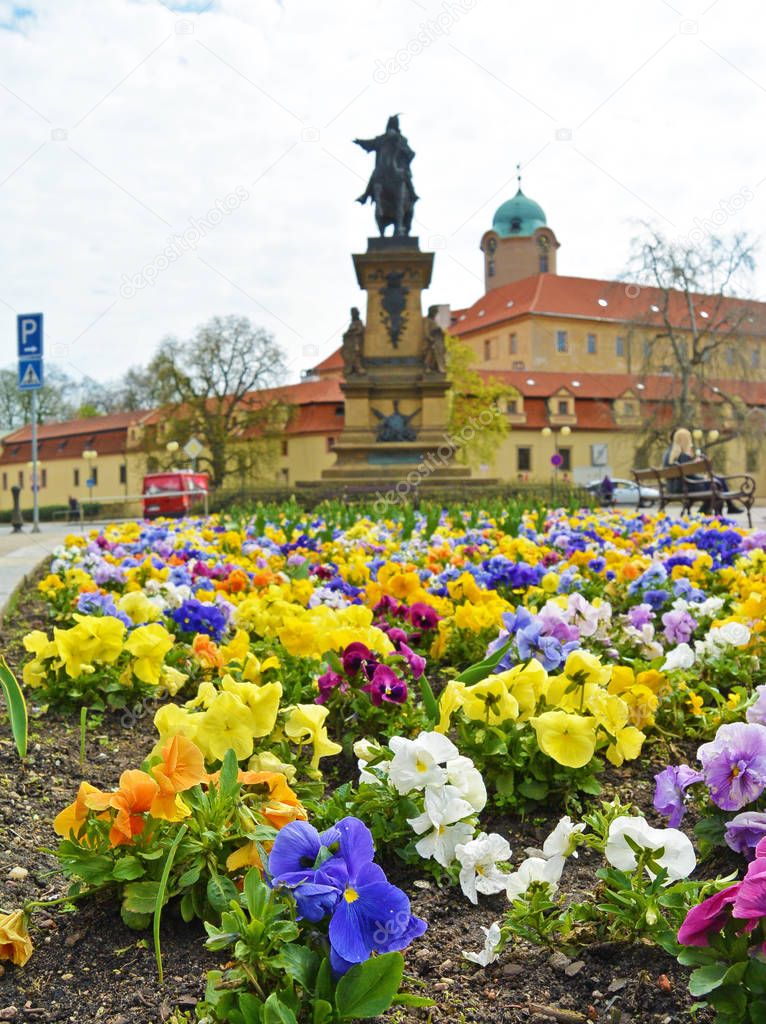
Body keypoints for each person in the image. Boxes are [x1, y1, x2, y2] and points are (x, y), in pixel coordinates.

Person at [666, 428, 743, 514]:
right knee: (717, 483)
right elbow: (689, 476)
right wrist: (703, 477)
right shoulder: (683, 455)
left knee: (717, 481)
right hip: (685, 487)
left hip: (672, 487)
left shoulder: (668, 453)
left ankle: (709, 509)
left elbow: (684, 474)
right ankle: (724, 508)